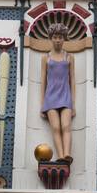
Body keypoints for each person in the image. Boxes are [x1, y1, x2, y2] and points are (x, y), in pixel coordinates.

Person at [41, 22, 76, 164]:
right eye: (55, 37)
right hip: (50, 97)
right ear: (51, 38)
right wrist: (42, 104)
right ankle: (60, 155)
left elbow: (72, 80)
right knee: (55, 127)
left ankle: (67, 153)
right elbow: (42, 81)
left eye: (60, 37)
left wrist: (73, 103)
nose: (57, 40)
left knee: (66, 126)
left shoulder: (69, 57)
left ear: (64, 39)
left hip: (65, 96)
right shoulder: (46, 58)